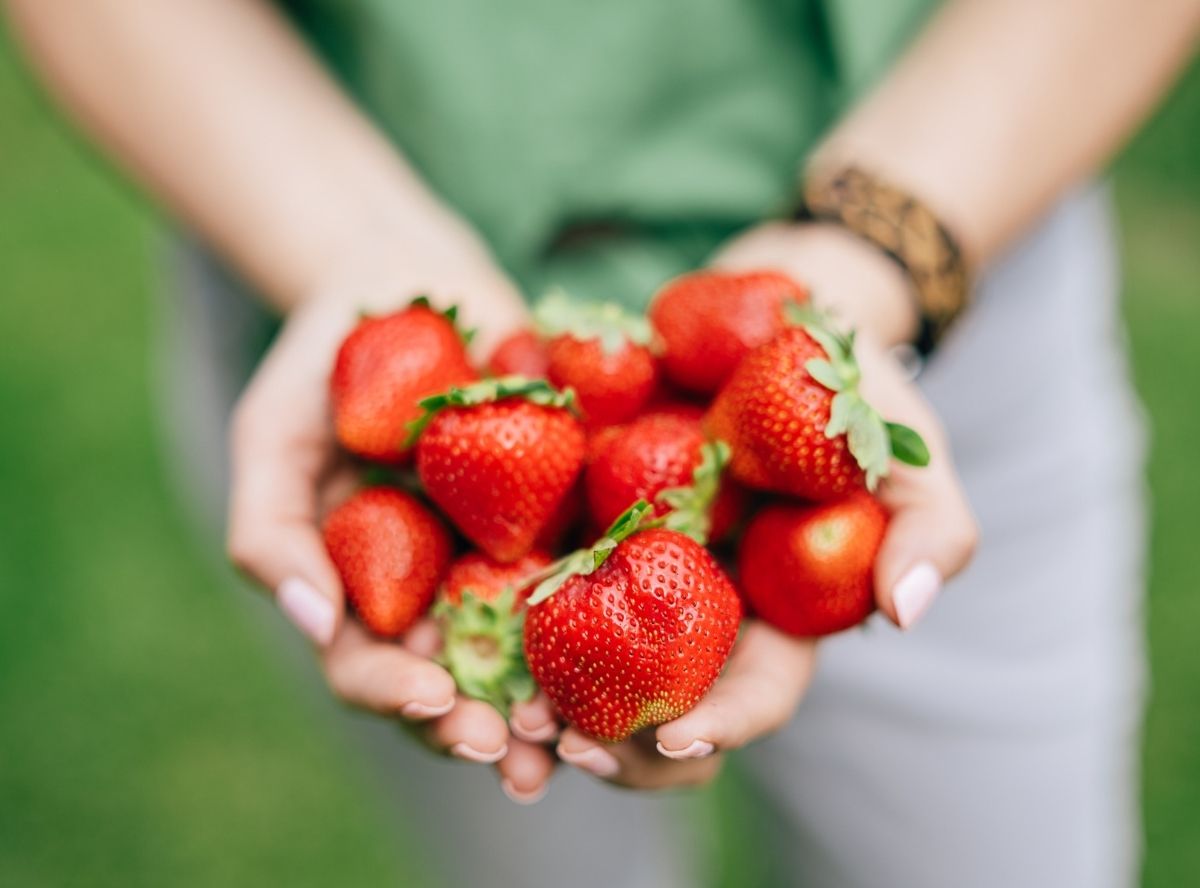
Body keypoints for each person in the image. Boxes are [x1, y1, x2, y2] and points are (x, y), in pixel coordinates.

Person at [7, 0, 1198, 884]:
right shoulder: (391, 410)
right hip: (328, 300)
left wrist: (871, 261)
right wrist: (344, 251)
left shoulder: (804, 411)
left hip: (941, 277)